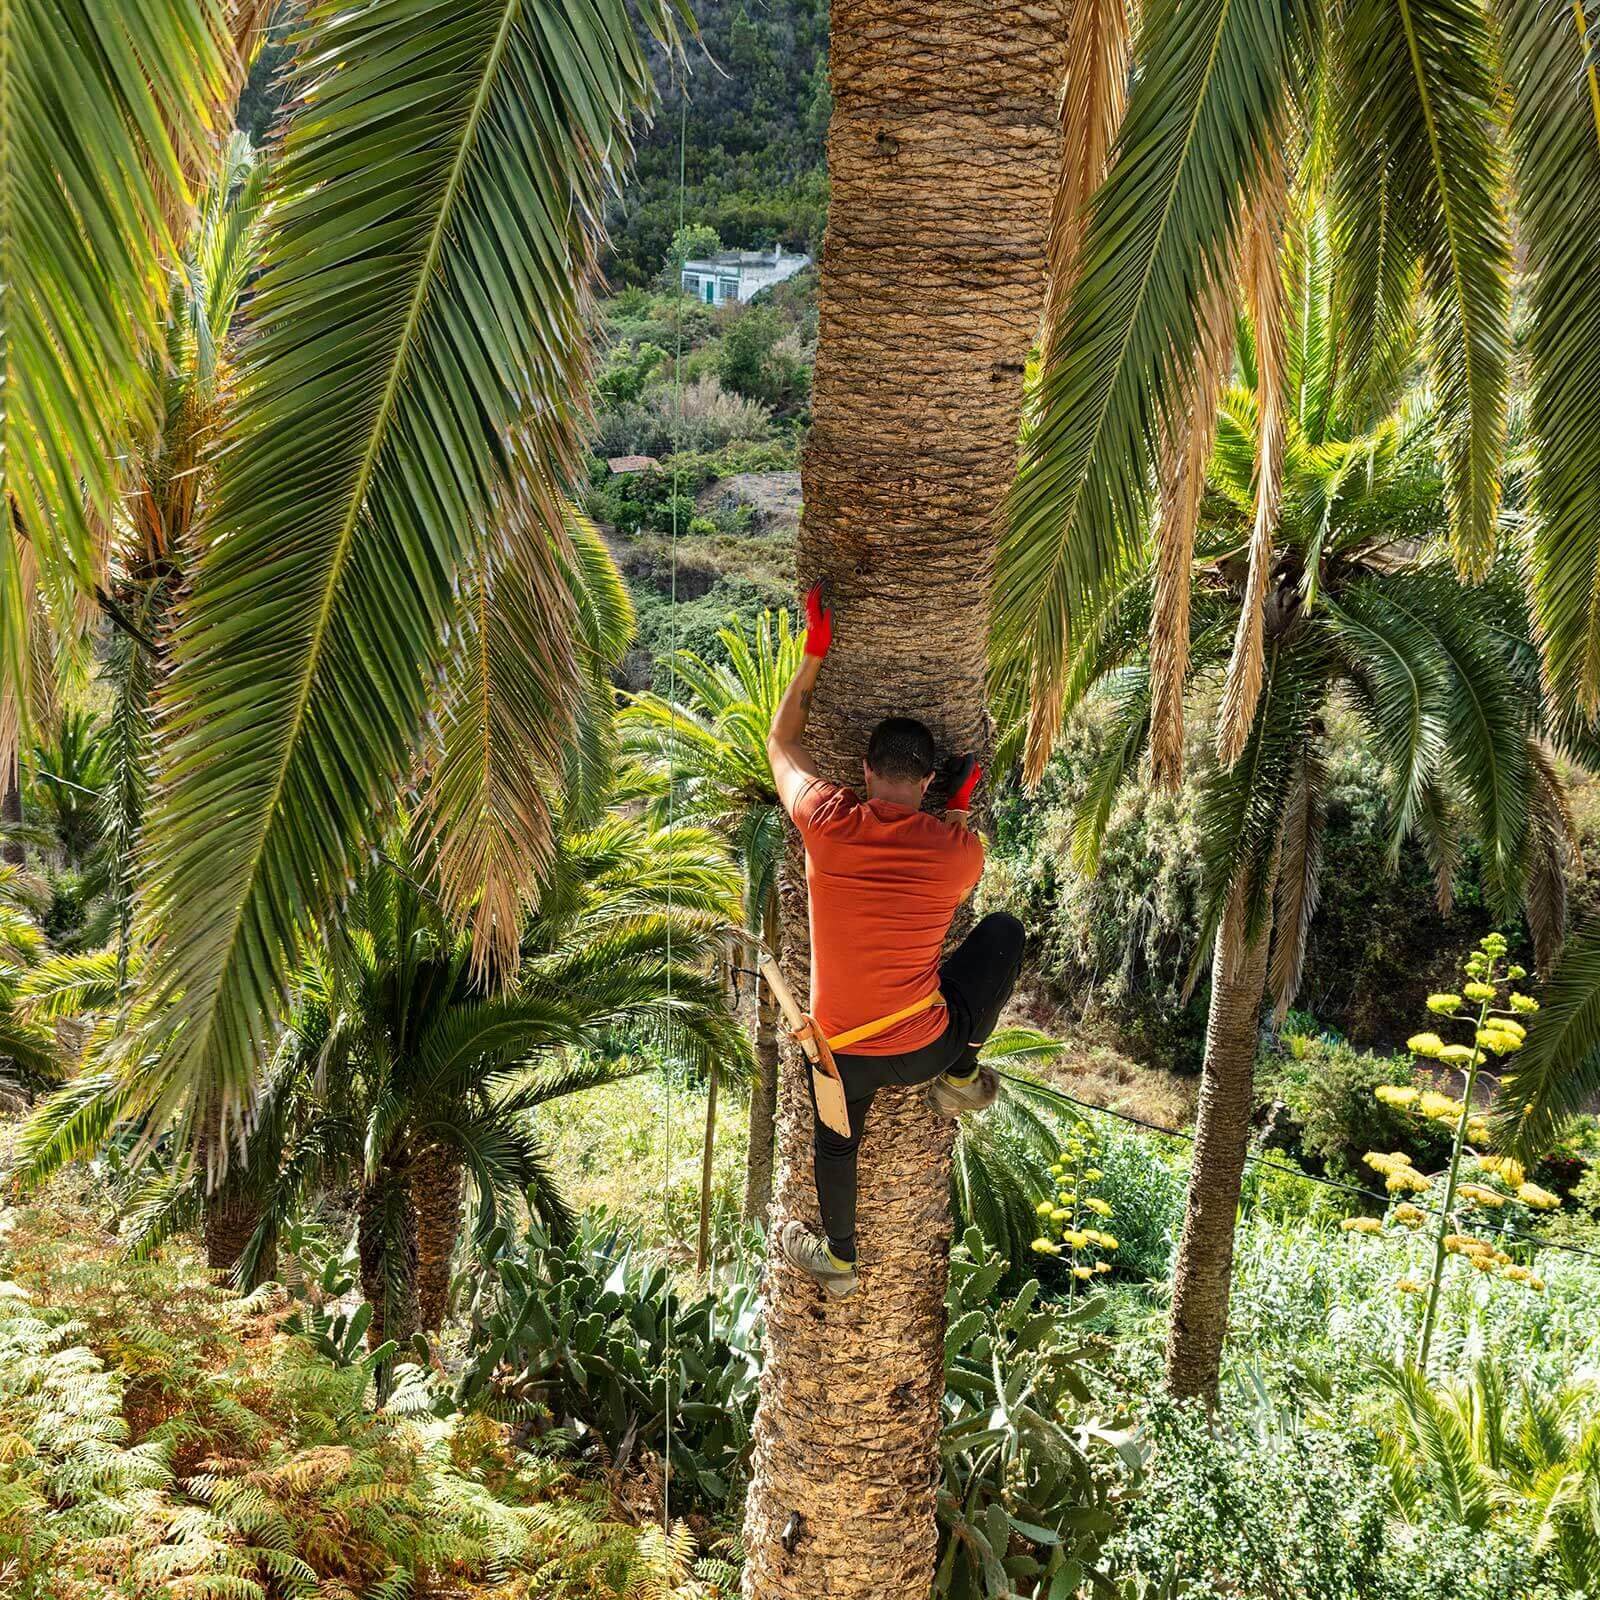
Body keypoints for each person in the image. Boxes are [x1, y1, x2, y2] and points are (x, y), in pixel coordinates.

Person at [764, 580, 1025, 1298]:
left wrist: (817, 652)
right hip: (923, 1046)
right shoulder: (957, 853)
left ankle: (842, 1258)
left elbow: (780, 741)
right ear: (930, 780)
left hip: (842, 1053)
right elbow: (951, 858)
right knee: (1003, 934)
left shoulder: (825, 817)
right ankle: (963, 1079)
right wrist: (960, 807)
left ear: (868, 772)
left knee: (835, 1139)